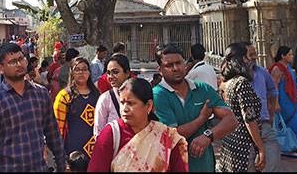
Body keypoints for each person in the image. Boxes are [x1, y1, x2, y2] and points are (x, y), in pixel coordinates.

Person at [0, 43, 66, 172]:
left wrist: (61, 164)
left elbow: (53, 133)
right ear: (0, 68)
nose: (19, 64)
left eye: (21, 59)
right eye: (12, 62)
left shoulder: (40, 94)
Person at [152, 43, 238, 172]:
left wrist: (208, 136)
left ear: (185, 64)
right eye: (169, 65)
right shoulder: (158, 95)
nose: (175, 68)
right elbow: (173, 135)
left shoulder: (202, 89)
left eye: (178, 63)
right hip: (175, 166)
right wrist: (201, 119)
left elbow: (231, 120)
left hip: (204, 165)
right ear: (160, 70)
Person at [88, 78, 189, 172]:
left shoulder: (167, 137)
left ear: (148, 105)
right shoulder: (112, 133)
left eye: (131, 103)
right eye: (122, 103)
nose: (125, 109)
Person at [217, 43, 265, 172]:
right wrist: (260, 148)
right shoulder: (241, 83)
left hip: (230, 140)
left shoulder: (225, 83)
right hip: (244, 143)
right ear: (242, 59)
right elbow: (249, 119)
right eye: (247, 57)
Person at [243, 41, 281, 172]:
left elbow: (273, 90)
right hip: (244, 130)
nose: (254, 57)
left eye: (255, 54)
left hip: (264, 124)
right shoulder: (236, 78)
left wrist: (270, 113)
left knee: (271, 163)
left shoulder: (261, 72)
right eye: (251, 54)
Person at [54, 57, 100, 160]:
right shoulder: (64, 96)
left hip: (96, 150)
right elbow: (57, 129)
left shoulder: (98, 95)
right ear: (72, 73)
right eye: (77, 69)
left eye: (84, 69)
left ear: (89, 72)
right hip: (73, 151)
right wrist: (60, 155)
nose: (81, 72)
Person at [269, 46, 297, 157]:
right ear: (283, 56)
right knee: (296, 124)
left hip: (293, 100)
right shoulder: (277, 69)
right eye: (289, 54)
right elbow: (274, 86)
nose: (292, 56)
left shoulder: (288, 67)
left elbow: (293, 84)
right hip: (284, 102)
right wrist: (275, 103)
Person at [94, 55, 131, 137]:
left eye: (115, 72)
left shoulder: (138, 95)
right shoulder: (105, 99)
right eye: (108, 73)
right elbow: (98, 133)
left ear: (127, 73)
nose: (110, 76)